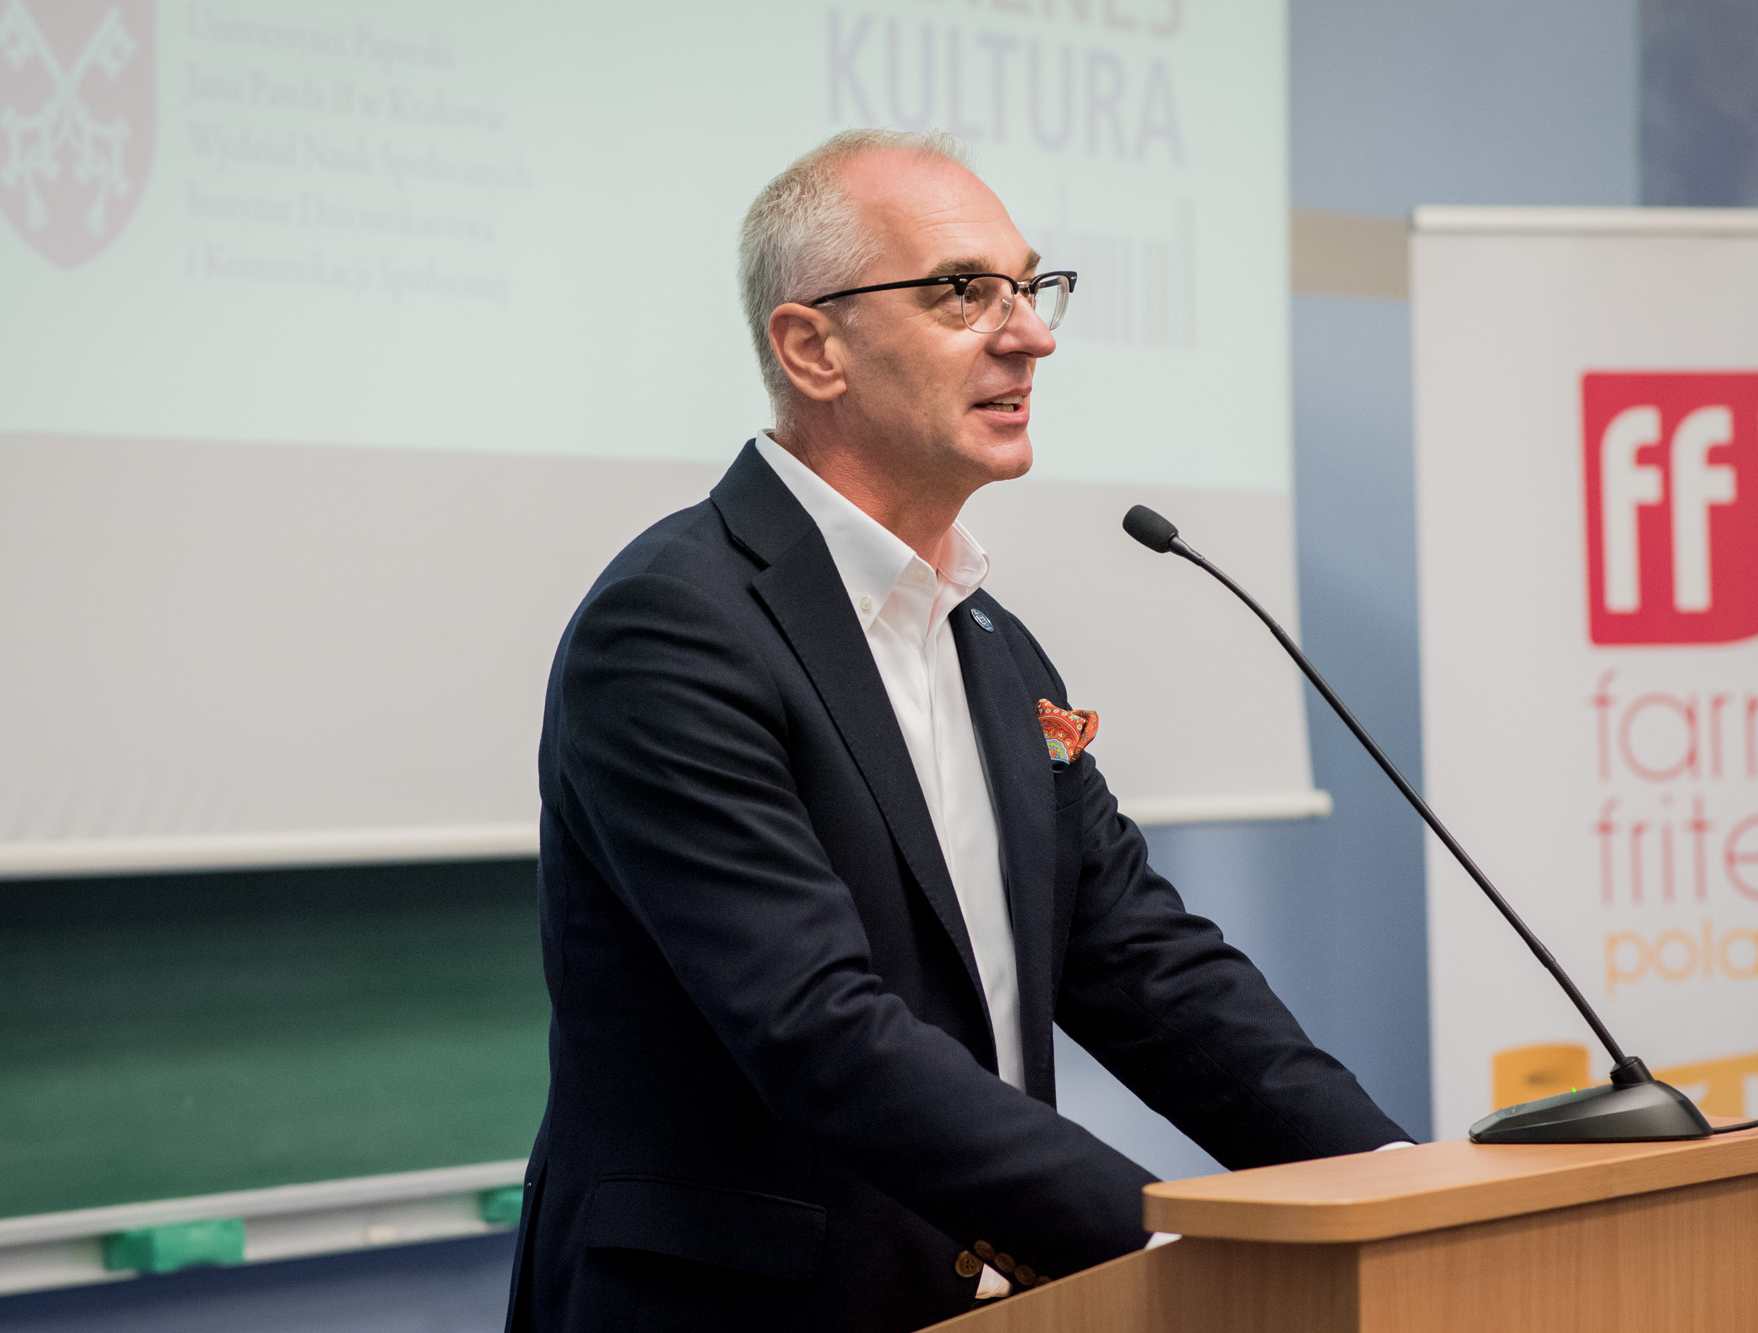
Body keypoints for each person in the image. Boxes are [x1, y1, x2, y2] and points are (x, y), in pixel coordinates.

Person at [504, 129, 1407, 1333]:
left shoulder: (991, 642)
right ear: (812, 347)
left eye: (1031, 288)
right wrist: (1162, 1240)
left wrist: (1387, 1185)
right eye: (962, 292)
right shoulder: (674, 627)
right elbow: (818, 1027)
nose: (1030, 335)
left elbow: (1146, 967)